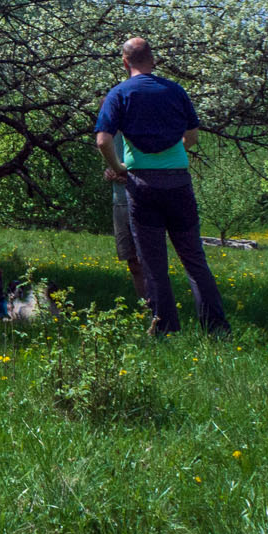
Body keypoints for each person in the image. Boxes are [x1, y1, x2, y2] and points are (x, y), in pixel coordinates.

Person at [94, 36, 230, 336]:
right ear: (152, 60)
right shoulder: (174, 90)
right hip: (179, 182)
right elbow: (192, 135)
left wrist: (118, 167)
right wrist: (173, 151)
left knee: (154, 264)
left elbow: (103, 140)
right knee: (194, 259)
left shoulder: (119, 94)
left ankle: (166, 330)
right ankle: (217, 329)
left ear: (125, 61)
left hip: (142, 185)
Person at [107, 167, 150, 302]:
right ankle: (146, 310)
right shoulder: (110, 145)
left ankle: (160, 310)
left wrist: (133, 177)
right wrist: (108, 173)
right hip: (120, 201)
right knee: (133, 262)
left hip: (143, 199)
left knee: (149, 260)